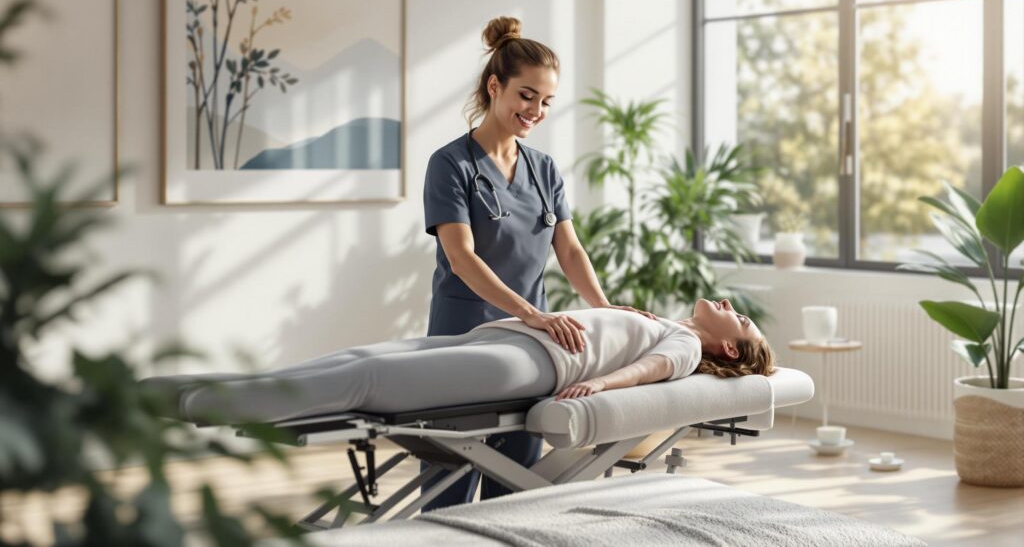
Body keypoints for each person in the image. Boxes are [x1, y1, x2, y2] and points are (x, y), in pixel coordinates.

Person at [420, 15, 654, 509]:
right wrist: (532, 313)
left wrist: (606, 308)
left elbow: (568, 249)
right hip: (465, 335)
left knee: (517, 486)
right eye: (527, 95)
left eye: (546, 101)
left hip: (531, 346)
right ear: (494, 85)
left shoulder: (543, 169)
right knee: (451, 485)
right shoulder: (451, 165)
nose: (536, 110)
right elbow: (461, 258)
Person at [147, 298, 775, 428]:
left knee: (367, 380)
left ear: (727, 349)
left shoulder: (688, 346)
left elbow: (651, 373)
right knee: (354, 356)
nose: (726, 304)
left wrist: (599, 383)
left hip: (532, 367)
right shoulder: (667, 320)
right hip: (501, 336)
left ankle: (199, 405)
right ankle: (167, 390)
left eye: (738, 318)